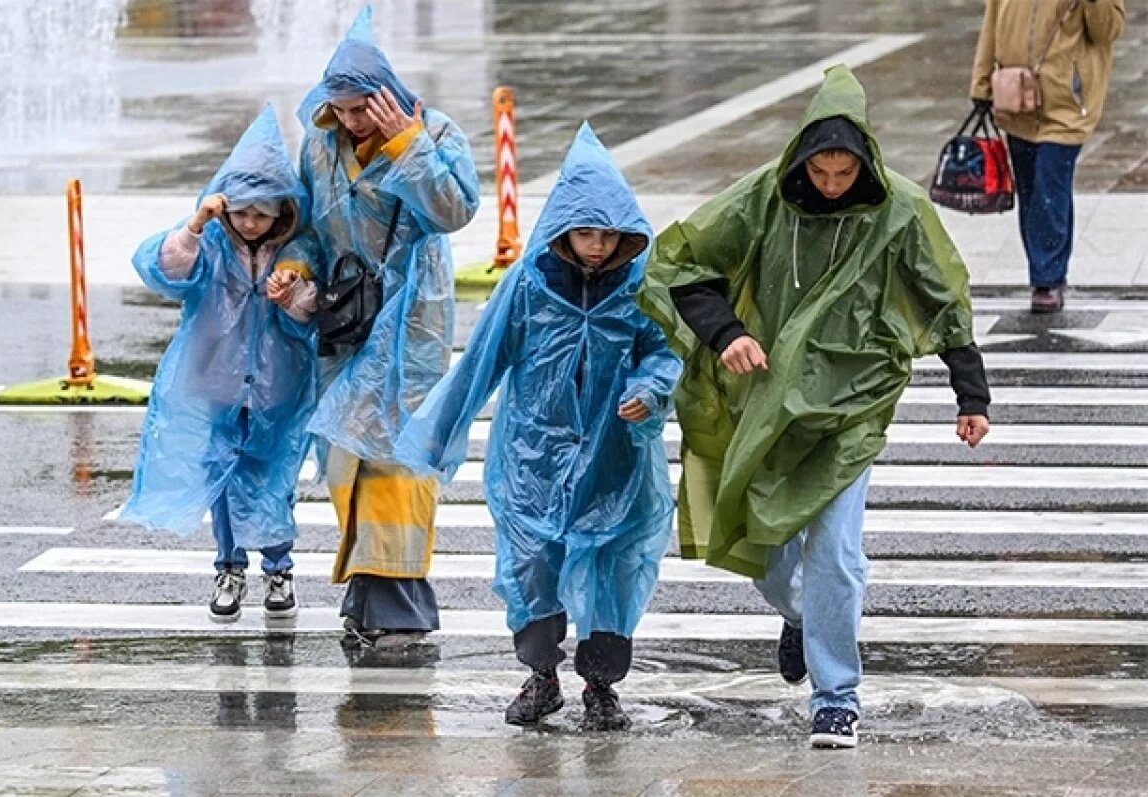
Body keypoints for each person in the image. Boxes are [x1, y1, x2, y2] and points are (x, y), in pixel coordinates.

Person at [638, 65, 992, 749]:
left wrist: (970, 393)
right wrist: (729, 333)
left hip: (852, 409)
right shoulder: (766, 199)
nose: (831, 185)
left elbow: (944, 298)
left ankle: (837, 696)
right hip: (768, 404)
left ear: (865, 162)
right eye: (822, 172)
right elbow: (683, 264)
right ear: (804, 157)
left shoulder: (900, 210)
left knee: (834, 550)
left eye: (843, 174)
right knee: (758, 542)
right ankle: (803, 615)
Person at [396, 123, 681, 731]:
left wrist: (648, 390)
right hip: (533, 460)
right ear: (562, 231)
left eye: (608, 235)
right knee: (532, 569)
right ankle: (542, 678)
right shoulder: (527, 285)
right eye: (585, 233)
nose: (598, 247)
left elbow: (664, 353)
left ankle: (601, 687)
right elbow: (481, 363)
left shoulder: (641, 287)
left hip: (615, 462)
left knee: (614, 570)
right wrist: (437, 434)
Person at [297, 5, 480, 648]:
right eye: (340, 109)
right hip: (345, 322)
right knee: (347, 456)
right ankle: (366, 598)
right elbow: (305, 228)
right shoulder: (319, 145)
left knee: (399, 461)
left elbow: (454, 210)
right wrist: (296, 279)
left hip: (410, 324)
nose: (350, 122)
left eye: (360, 108)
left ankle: (400, 607)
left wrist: (408, 145)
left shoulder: (433, 130)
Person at [121, 104, 321, 623]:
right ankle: (229, 566)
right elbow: (166, 270)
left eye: (262, 212)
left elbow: (313, 309)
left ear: (283, 210)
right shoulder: (209, 242)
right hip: (216, 382)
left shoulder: (298, 248)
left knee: (275, 477)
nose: (250, 222)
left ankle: (279, 568)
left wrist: (293, 296)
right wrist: (195, 225)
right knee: (222, 478)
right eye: (241, 211)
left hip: (279, 387)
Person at [971, 0, 1125, 313]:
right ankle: (1043, 271)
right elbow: (991, 23)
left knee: (1049, 184)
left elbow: (1107, 32)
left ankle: (1048, 278)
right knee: (1029, 188)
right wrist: (981, 82)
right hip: (1017, 99)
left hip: (1067, 104)